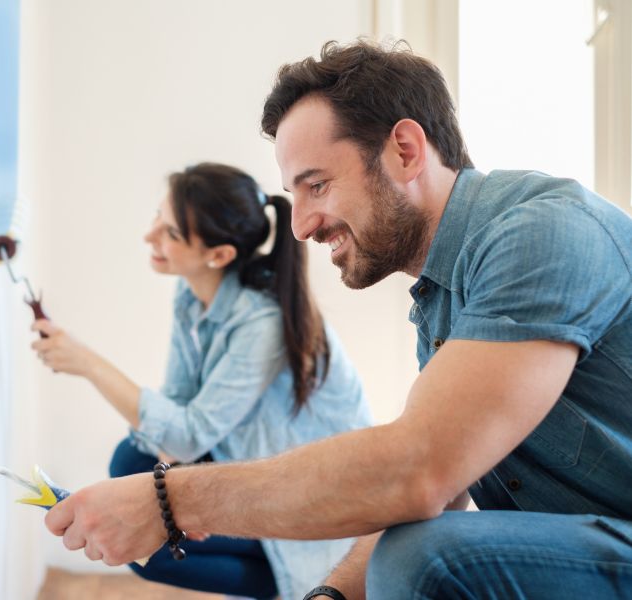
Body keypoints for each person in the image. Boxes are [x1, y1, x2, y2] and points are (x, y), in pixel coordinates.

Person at [44, 40, 632, 600]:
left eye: (317, 186)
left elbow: (419, 471)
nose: (300, 227)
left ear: (404, 150)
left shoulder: (542, 234)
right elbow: (437, 490)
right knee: (413, 543)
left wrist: (168, 500)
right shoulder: (442, 301)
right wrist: (330, 593)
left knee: (428, 556)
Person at [31, 162, 372, 599]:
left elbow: (187, 437)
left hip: (311, 500)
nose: (150, 236)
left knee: (144, 530)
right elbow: (176, 407)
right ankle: (228, 541)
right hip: (248, 460)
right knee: (131, 465)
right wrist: (178, 499)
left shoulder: (261, 324)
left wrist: (87, 364)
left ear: (219, 256)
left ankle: (291, 575)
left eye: (170, 233)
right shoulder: (192, 296)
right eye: (159, 216)